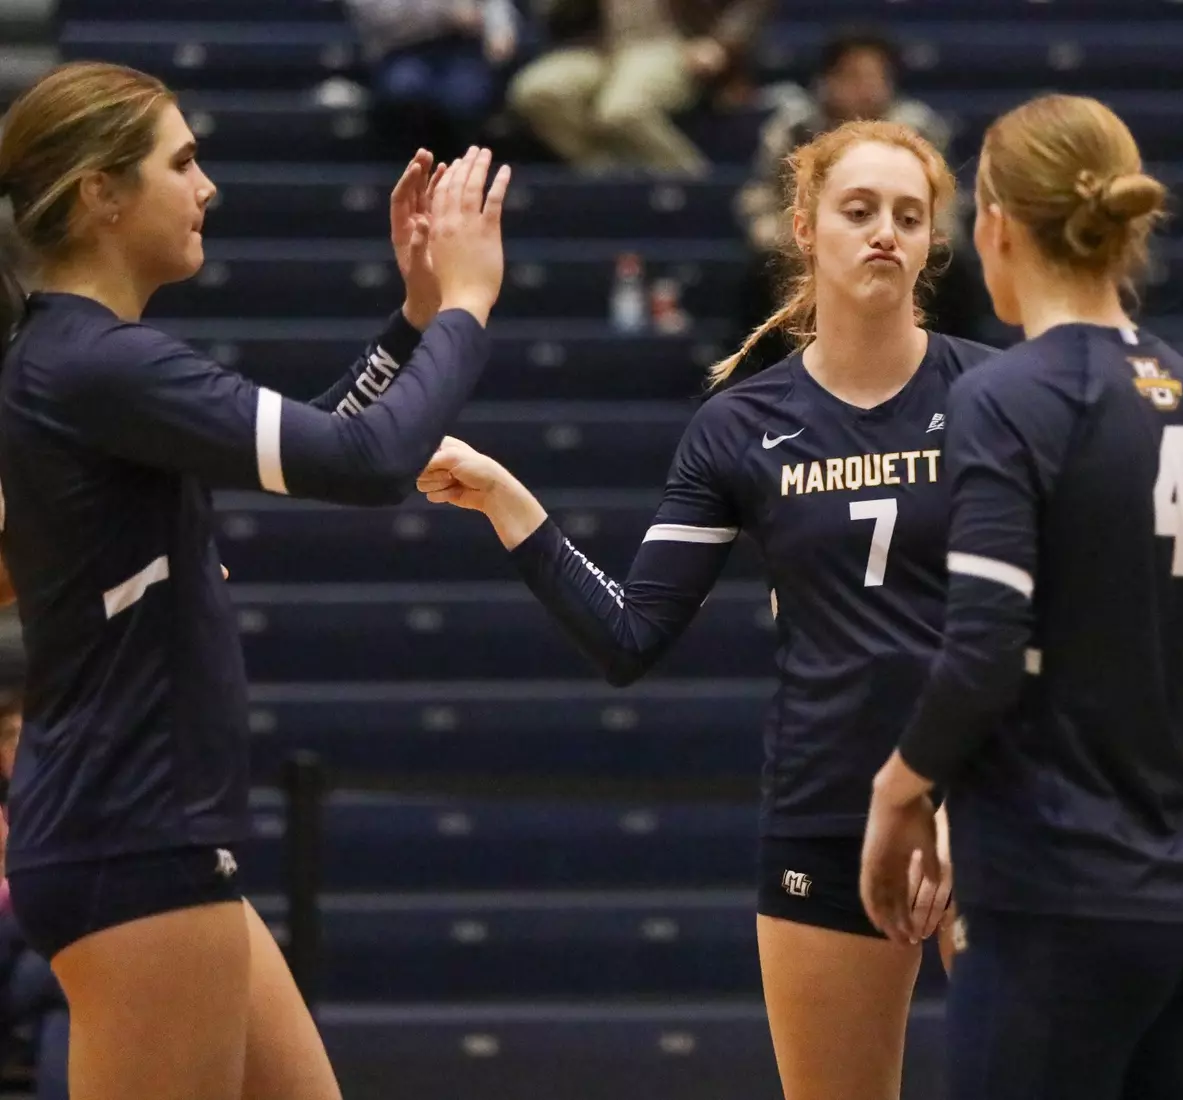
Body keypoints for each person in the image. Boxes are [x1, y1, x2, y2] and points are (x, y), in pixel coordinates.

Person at [417, 118, 994, 1100]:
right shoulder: (739, 425)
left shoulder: (995, 391)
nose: (885, 234)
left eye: (909, 215)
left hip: (989, 806)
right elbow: (630, 635)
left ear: (937, 239)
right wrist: (505, 498)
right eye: (859, 212)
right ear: (804, 227)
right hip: (826, 805)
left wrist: (963, 791)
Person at [0, 61, 508, 1100]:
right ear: (100, 192)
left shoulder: (89, 364)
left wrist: (414, 319)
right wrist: (466, 304)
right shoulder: (97, 365)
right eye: (181, 162)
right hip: (129, 831)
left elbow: (333, 439)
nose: (209, 187)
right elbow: (364, 463)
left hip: (152, 830)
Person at [857, 93, 1183, 1100]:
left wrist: (898, 789)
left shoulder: (1003, 396)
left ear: (995, 225)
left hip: (1055, 907)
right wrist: (1166, 623)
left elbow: (982, 652)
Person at [731, 25, 986, 381]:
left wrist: (925, 235)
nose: (865, 87)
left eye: (875, 76)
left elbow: (945, 203)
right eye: (853, 76)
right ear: (828, 80)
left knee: (955, 274)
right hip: (803, 248)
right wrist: (793, 241)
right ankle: (763, 382)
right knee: (763, 272)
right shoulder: (793, 128)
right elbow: (759, 197)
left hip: (907, 254)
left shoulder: (920, 128)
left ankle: (954, 378)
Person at [508, 0, 771, 176]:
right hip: (603, 48)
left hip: (672, 46)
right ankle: (603, 176)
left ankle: (692, 182)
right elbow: (552, 13)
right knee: (536, 91)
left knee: (622, 109)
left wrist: (722, 44)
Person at [346, 0, 522, 160]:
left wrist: (499, 28)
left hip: (462, 50)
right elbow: (376, 14)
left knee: (467, 96)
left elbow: (493, 5)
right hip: (400, 49)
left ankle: (457, 174)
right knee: (405, 89)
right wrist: (444, 12)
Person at [0, 694, 68, 1100]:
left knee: (62, 991)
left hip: (35, 963)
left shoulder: (75, 811)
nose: (21, 744)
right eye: (9, 735)